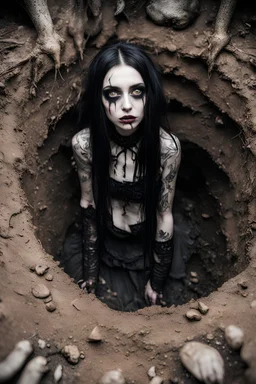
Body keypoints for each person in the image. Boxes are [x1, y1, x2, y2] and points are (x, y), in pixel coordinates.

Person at [64, 41, 184, 311]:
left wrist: (157, 279)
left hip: (147, 239)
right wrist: (91, 271)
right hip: (106, 238)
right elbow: (89, 204)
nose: (127, 106)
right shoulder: (84, 145)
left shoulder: (167, 148)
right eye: (113, 94)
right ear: (99, 98)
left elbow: (164, 214)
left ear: (149, 94)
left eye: (137, 91)